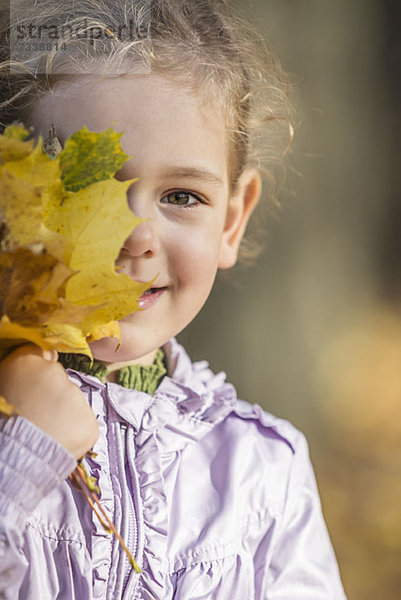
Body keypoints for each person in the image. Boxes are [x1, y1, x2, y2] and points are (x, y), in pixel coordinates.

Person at [0, 1, 347, 598]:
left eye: (182, 196)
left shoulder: (262, 470)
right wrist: (21, 461)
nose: (137, 237)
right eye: (90, 187)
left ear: (232, 221)